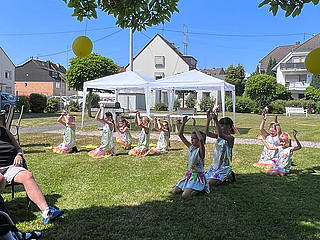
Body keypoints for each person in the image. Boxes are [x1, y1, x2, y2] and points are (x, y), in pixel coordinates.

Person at [0, 127, 64, 224]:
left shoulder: (4, 131)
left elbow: (18, 148)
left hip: (11, 167)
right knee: (0, 179)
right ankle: (3, 218)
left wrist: (19, 155)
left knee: (27, 176)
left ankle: (46, 211)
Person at [172, 117, 209, 198]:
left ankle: (199, 189)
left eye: (194, 138)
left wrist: (194, 127)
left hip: (197, 177)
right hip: (189, 176)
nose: (192, 140)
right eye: (191, 138)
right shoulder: (191, 147)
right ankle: (191, 188)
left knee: (185, 195)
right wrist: (184, 123)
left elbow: (201, 140)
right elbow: (180, 135)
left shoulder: (201, 151)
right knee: (174, 191)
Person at [205, 111, 235, 186]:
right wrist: (208, 120)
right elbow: (207, 132)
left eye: (223, 125)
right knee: (203, 179)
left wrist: (216, 120)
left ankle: (228, 175)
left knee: (209, 182)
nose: (221, 127)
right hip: (215, 166)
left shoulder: (230, 138)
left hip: (224, 167)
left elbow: (221, 135)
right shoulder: (218, 136)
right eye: (220, 125)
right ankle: (224, 177)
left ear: (230, 127)